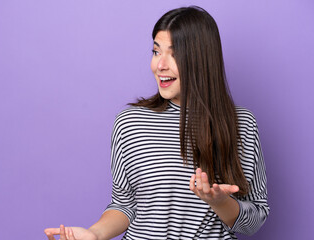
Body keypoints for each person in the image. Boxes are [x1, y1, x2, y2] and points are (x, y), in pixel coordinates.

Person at [44, 6, 269, 240]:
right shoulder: (130, 122)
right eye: (155, 51)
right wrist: (94, 234)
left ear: (202, 59)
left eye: (174, 54)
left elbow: (255, 219)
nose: (160, 65)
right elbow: (124, 205)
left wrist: (221, 203)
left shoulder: (241, 124)